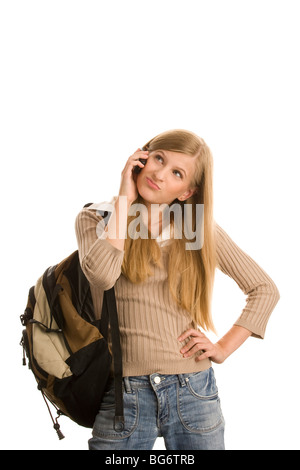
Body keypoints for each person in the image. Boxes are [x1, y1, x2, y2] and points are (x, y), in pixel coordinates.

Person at [75, 129, 280, 450]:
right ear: (141, 157)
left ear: (186, 192)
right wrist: (125, 201)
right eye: (159, 158)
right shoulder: (98, 217)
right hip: (122, 393)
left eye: (176, 173)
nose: (159, 173)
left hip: (192, 390)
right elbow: (101, 277)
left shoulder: (194, 227)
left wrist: (223, 348)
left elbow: (264, 289)